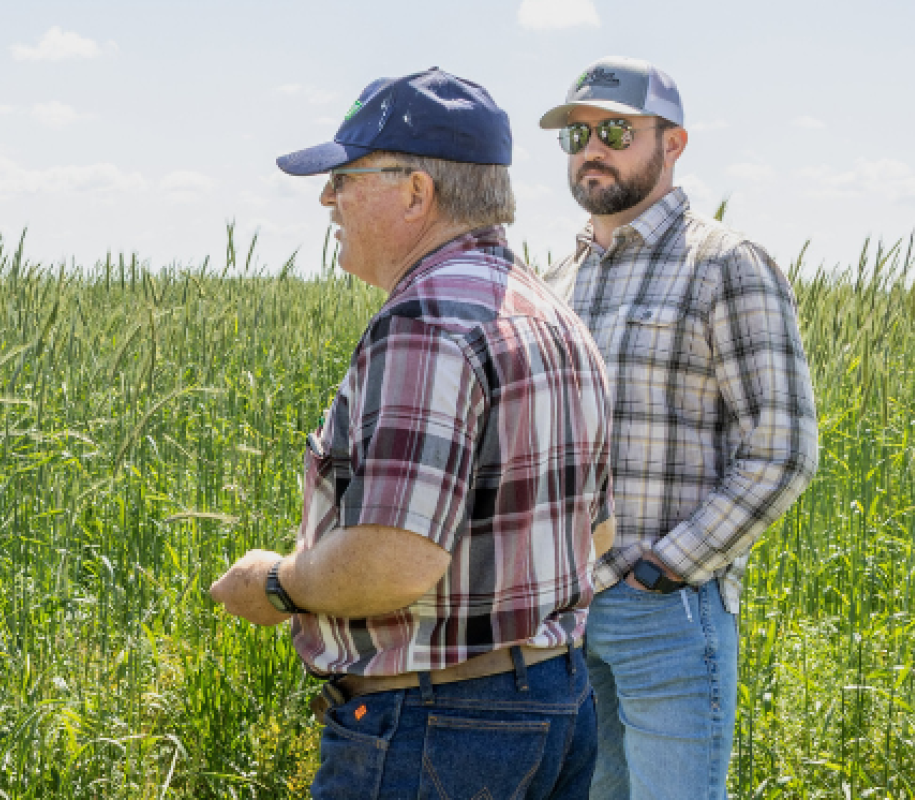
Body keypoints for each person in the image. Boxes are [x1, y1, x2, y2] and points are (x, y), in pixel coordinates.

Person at [208, 68, 616, 798]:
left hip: (438, 724)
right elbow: (600, 534)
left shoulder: (426, 321)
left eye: (345, 176)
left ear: (416, 192)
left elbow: (395, 561)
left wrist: (275, 584)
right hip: (555, 703)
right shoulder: (556, 318)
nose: (328, 198)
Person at [537, 56, 820, 800]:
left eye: (617, 131)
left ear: (674, 143)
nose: (592, 148)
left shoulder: (725, 264)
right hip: (568, 618)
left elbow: (782, 450)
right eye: (578, 135)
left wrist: (664, 571)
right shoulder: (557, 280)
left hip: (666, 613)